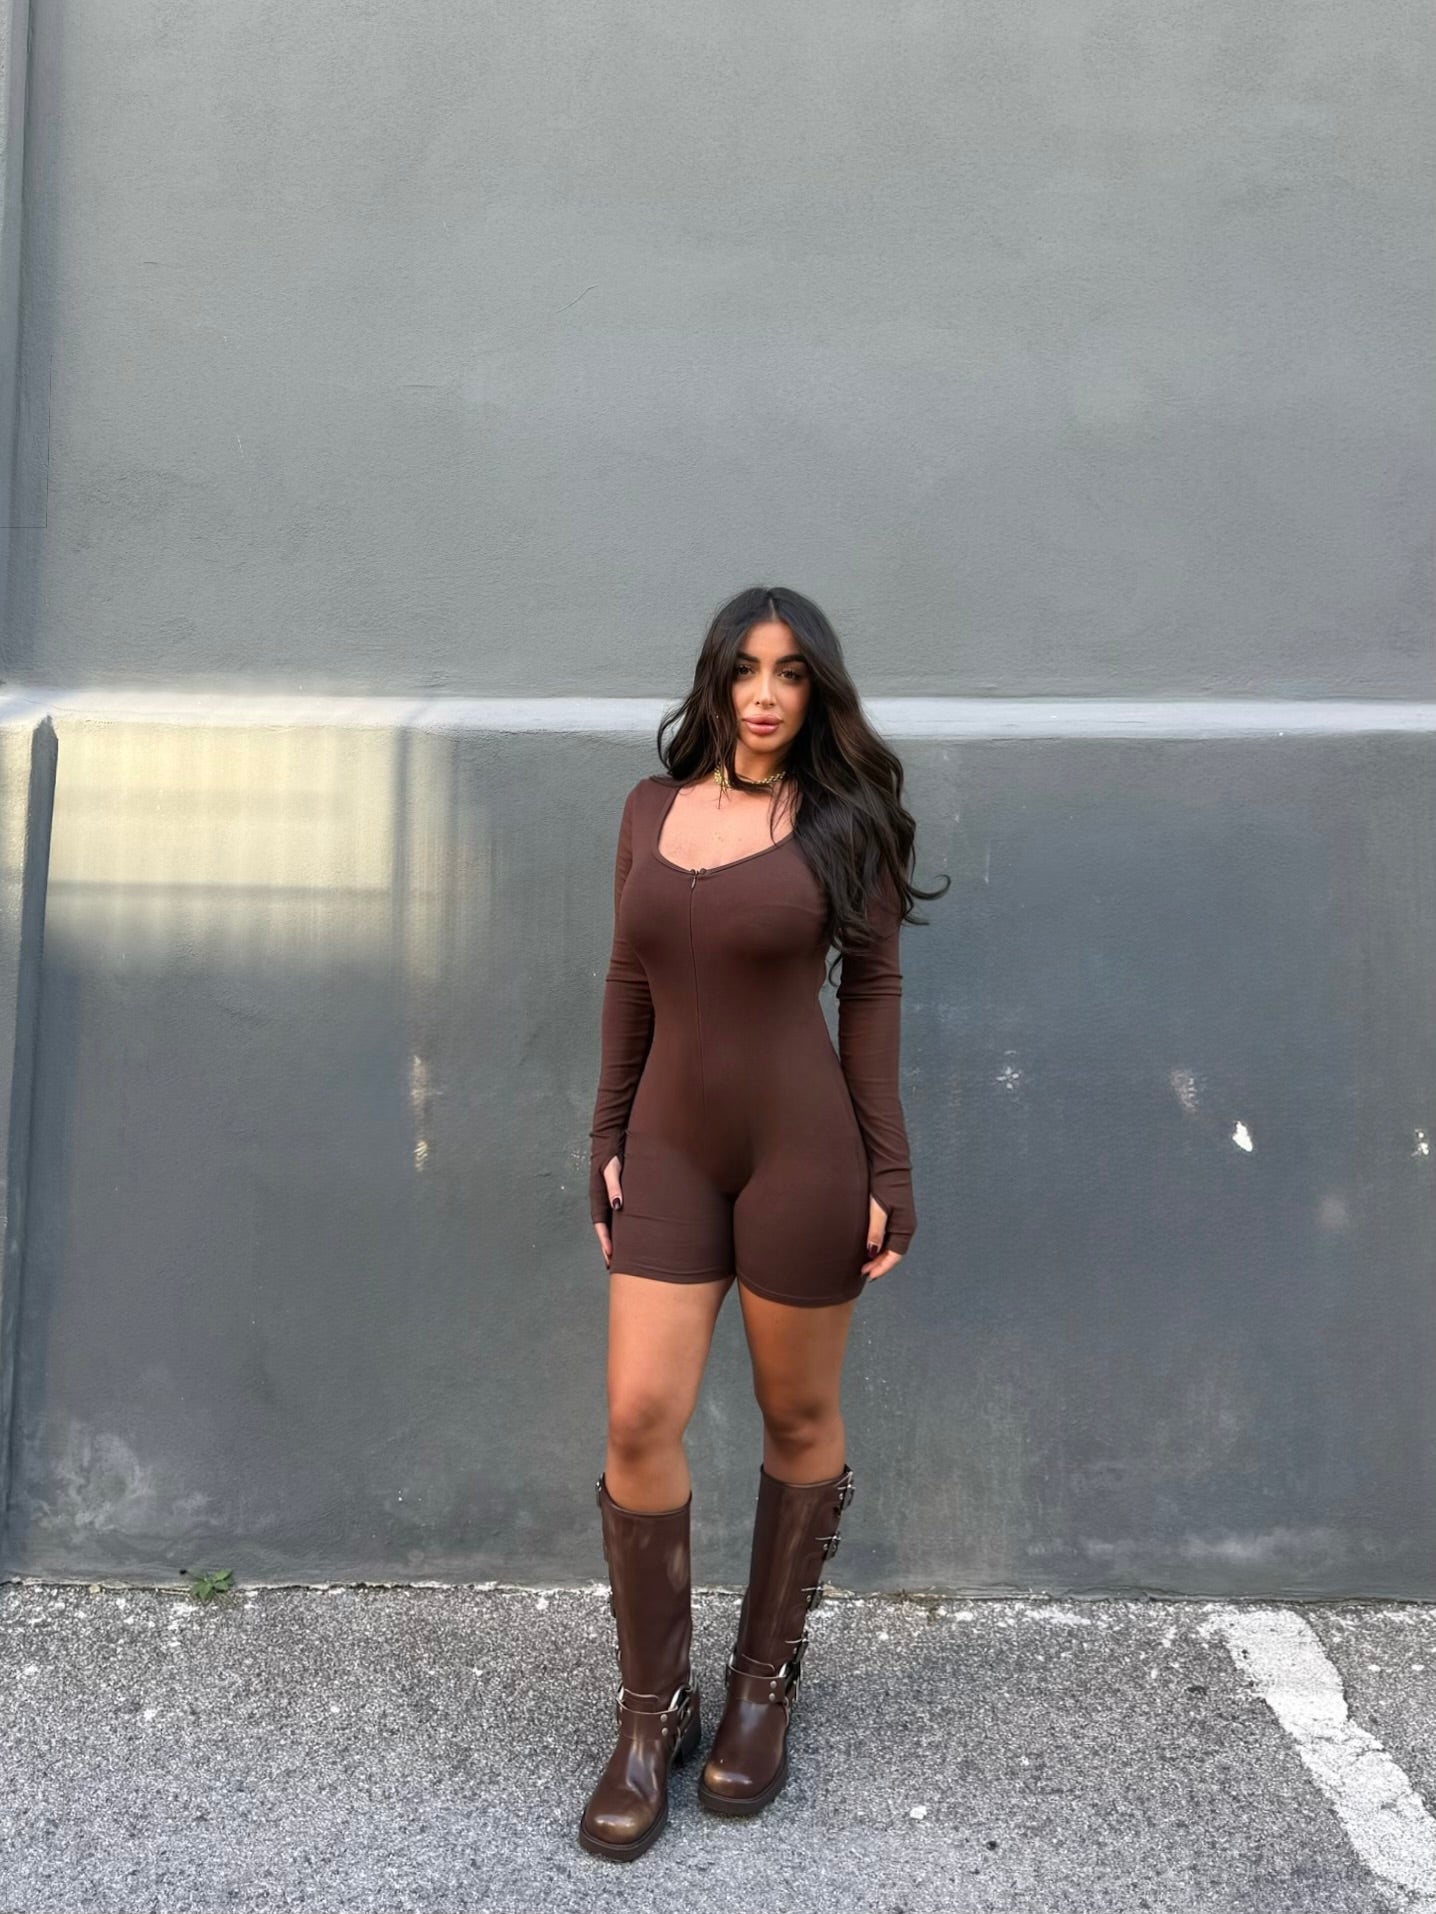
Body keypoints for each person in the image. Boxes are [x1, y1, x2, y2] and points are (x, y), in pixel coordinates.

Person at [577, 584, 948, 1861]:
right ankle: (649, 1715)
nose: (764, 694)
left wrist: (887, 1167)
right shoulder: (646, 810)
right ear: (715, 680)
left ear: (816, 690)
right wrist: (605, 1136)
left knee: (795, 1416)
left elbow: (872, 990)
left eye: (790, 672)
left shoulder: (846, 823)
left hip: (802, 1155)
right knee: (638, 1415)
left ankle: (759, 1689)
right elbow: (627, 980)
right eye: (745, 668)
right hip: (670, 1153)